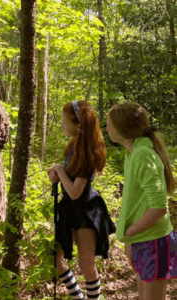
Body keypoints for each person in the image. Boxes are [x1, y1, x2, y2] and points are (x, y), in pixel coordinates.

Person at [106, 102, 177, 300]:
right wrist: (130, 239)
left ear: (123, 128)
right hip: (142, 239)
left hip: (153, 240)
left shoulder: (142, 154)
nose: (107, 128)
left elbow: (159, 207)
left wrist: (130, 232)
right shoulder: (133, 153)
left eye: (109, 124)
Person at [48, 100, 116, 300]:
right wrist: (58, 173)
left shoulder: (88, 153)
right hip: (70, 209)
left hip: (86, 210)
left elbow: (75, 192)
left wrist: (60, 170)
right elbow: (70, 178)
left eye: (64, 121)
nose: (62, 125)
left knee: (86, 264)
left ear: (78, 125)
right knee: (55, 260)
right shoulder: (73, 146)